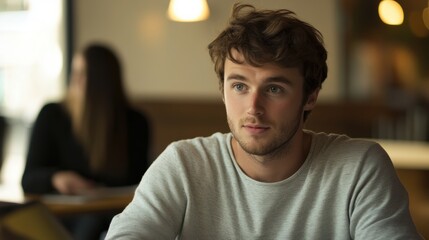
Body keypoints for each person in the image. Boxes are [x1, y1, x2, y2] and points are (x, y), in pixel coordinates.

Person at [105, 3, 422, 239]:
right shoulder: (185, 165)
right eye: (239, 86)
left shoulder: (359, 169)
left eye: (274, 88)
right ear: (223, 90)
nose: (253, 107)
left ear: (310, 96)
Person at [21, 43, 151, 239]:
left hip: (114, 213)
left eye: (84, 73)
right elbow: (28, 179)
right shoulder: (52, 115)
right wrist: (56, 178)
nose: (76, 80)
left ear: (104, 82)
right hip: (65, 214)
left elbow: (140, 180)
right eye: (75, 72)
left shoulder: (135, 122)